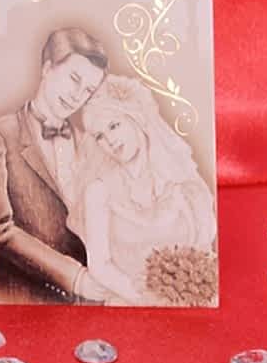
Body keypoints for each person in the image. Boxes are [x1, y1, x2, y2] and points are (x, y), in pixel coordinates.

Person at [0, 27, 113, 304]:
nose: (77, 95)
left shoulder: (92, 143)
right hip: (24, 303)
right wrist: (75, 278)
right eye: (74, 79)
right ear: (47, 68)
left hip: (93, 307)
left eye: (88, 90)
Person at [72, 74, 216, 305]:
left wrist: (184, 295)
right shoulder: (98, 191)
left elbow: (203, 252)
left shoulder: (183, 183)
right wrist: (148, 299)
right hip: (129, 303)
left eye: (114, 126)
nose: (109, 140)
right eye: (100, 136)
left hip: (187, 303)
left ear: (136, 119)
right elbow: (100, 265)